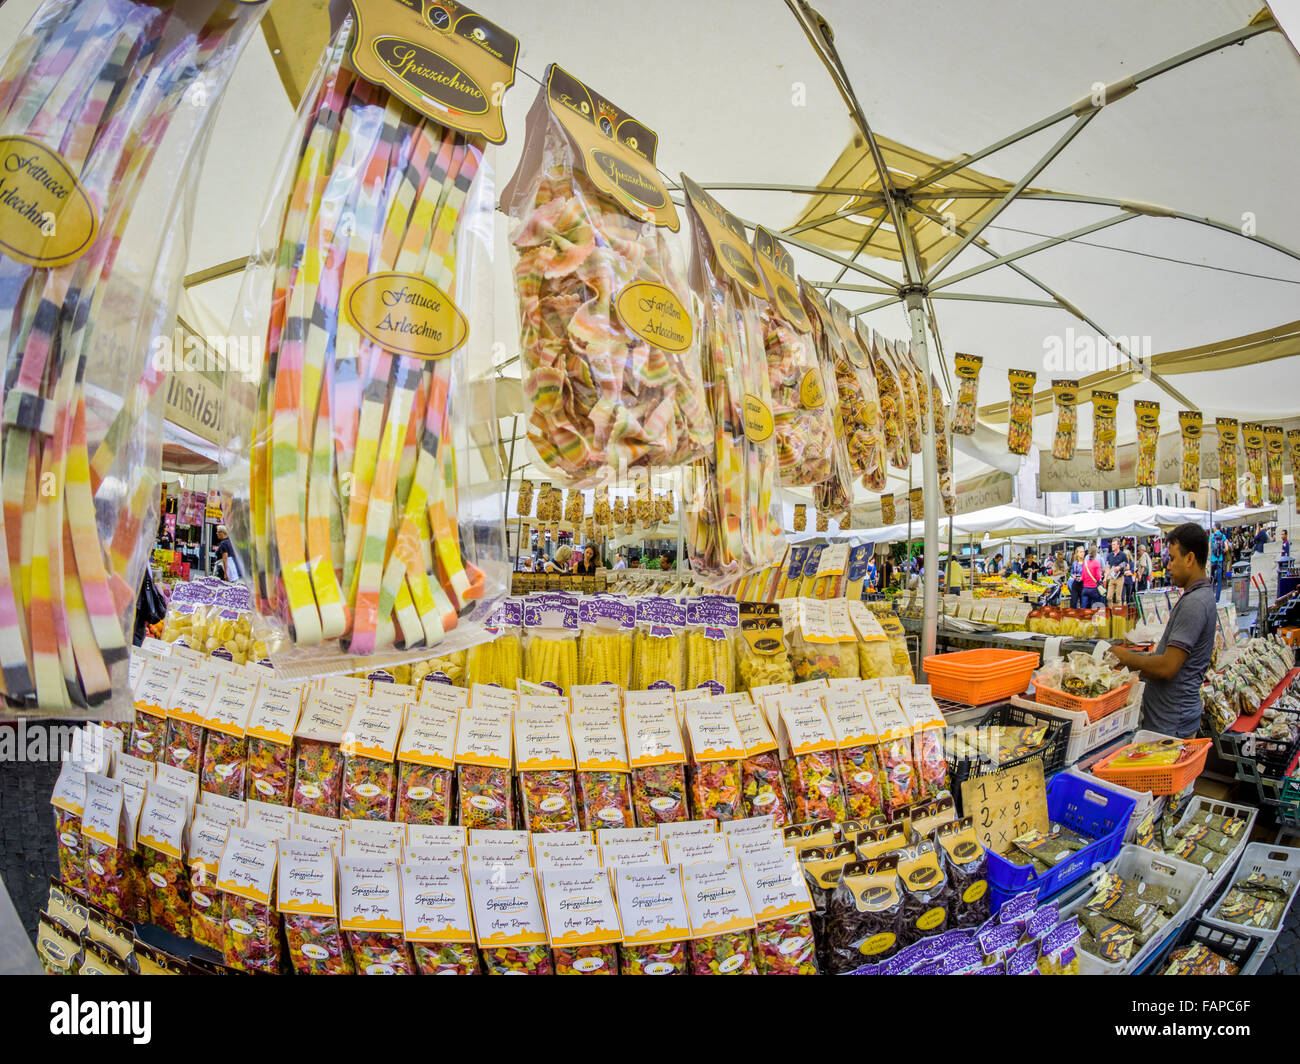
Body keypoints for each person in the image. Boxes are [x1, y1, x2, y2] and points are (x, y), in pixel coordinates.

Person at [1110, 523, 1218, 738]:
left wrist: (1126, 657)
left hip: (1171, 724)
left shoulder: (1195, 603)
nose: (1168, 565)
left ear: (1190, 559)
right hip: (1172, 718)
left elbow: (1168, 667)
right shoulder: (1199, 596)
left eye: (1173, 558)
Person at [1209, 525, 1226, 601]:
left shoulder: (1212, 536)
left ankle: (1211, 596)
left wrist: (1209, 557)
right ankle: (1217, 599)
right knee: (1219, 580)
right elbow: (1227, 548)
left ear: (1215, 528)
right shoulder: (1223, 536)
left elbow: (1209, 548)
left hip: (1212, 560)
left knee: (1211, 578)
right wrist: (1221, 552)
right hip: (1220, 560)